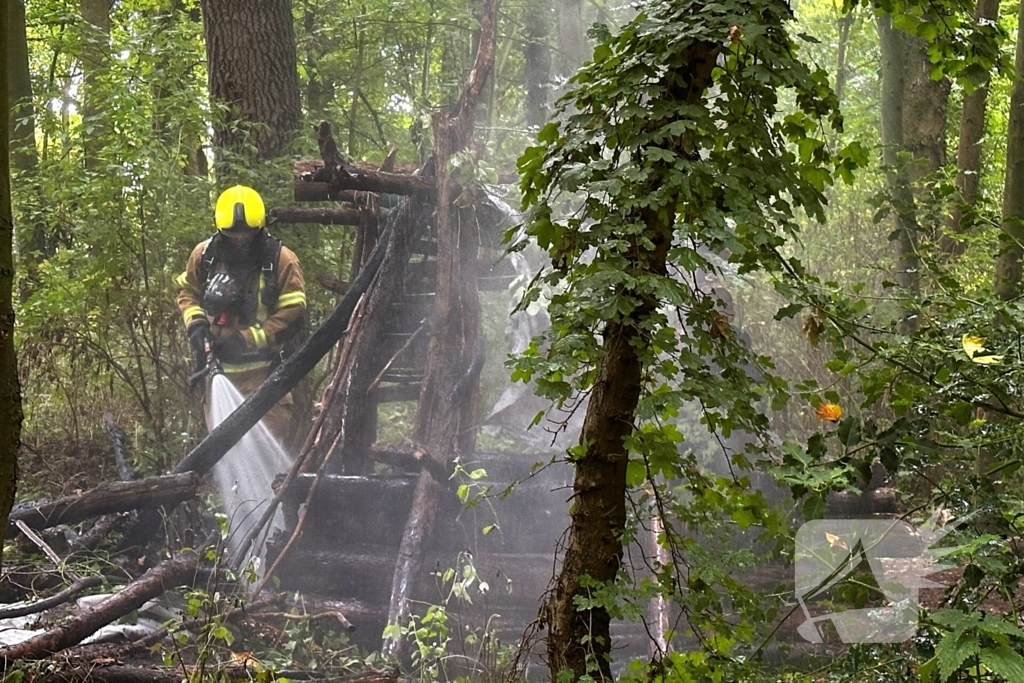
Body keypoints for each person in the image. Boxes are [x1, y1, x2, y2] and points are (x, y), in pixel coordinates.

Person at [175, 185, 307, 442]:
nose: (239, 241)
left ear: (259, 228)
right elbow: (187, 292)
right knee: (224, 449)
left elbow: (293, 314)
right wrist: (197, 326)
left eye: (246, 235)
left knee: (263, 448)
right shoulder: (204, 257)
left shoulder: (282, 261)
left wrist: (246, 339)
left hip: (265, 376)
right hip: (218, 374)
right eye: (232, 235)